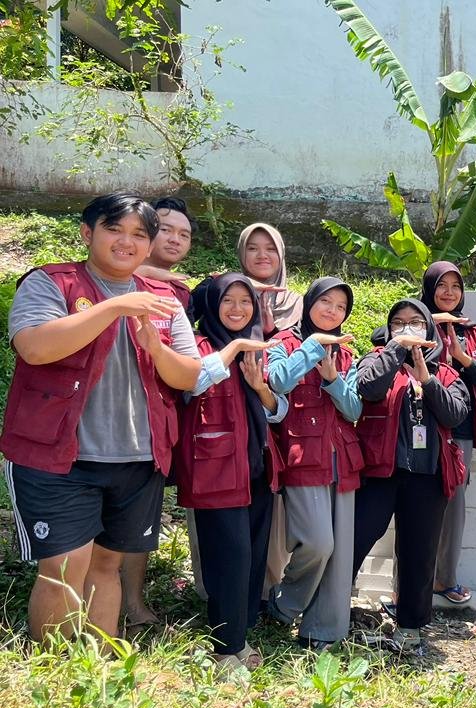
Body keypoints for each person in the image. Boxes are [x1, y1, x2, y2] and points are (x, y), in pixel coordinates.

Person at [2, 192, 201, 641]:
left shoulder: (162, 298)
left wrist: (156, 348)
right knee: (63, 566)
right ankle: (52, 673)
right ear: (88, 233)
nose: (126, 242)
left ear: (149, 246)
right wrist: (113, 307)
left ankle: (98, 667)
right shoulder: (52, 284)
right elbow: (34, 347)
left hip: (135, 457)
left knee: (107, 565)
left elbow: (188, 375)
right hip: (58, 457)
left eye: (138, 234)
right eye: (115, 229)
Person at [173, 273, 284, 671]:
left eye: (246, 301)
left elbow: (278, 411)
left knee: (253, 556)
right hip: (214, 470)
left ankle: (241, 634)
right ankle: (225, 648)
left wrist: (260, 388)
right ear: (212, 306)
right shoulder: (198, 346)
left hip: (257, 467)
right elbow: (188, 386)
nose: (238, 309)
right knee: (230, 557)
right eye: (228, 301)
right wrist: (232, 349)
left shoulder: (259, 350)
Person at [351, 299, 471, 650]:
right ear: (388, 331)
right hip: (380, 471)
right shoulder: (377, 360)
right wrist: (394, 352)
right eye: (398, 323)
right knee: (355, 539)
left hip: (428, 475)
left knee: (420, 552)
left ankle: (410, 628)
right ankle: (331, 615)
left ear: (429, 330)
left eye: (415, 323)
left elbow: (454, 416)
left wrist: (428, 380)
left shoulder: (447, 373)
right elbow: (368, 388)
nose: (407, 329)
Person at [264, 277, 363, 651]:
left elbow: (353, 408)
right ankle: (285, 604)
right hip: (302, 458)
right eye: (326, 302)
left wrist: (334, 379)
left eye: (340, 306)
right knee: (318, 543)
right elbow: (276, 382)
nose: (332, 311)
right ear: (309, 303)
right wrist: (310, 349)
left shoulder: (346, 353)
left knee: (338, 556)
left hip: (343, 461)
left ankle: (323, 631)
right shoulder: (283, 342)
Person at [121, 195, 198, 633]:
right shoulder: (104, 280)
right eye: (165, 228)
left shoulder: (180, 293)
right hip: (98, 420)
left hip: (157, 416)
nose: (174, 238)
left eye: (184, 234)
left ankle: (132, 602)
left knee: (140, 519)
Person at [420, 261, 476, 606]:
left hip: (459, 428)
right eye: (442, 285)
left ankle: (444, 579)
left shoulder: (473, 333)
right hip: (417, 426)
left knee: (454, 502)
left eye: (455, 286)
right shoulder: (414, 321)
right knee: (417, 502)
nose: (449, 292)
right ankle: (405, 584)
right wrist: (431, 326)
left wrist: (461, 356)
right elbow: (384, 338)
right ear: (429, 289)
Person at [236, 222, 305, 597]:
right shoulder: (224, 294)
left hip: (282, 412)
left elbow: (296, 350)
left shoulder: (298, 303)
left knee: (274, 503)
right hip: (232, 407)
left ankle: (268, 587)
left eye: (270, 249)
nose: (262, 256)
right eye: (253, 248)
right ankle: (219, 586)